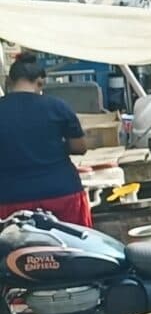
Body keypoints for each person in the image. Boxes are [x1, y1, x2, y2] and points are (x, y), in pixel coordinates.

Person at [0, 55, 91, 225]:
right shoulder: (57, 106)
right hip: (61, 193)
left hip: (10, 198)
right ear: (40, 82)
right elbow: (80, 147)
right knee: (74, 248)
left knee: (18, 249)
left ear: (9, 80)